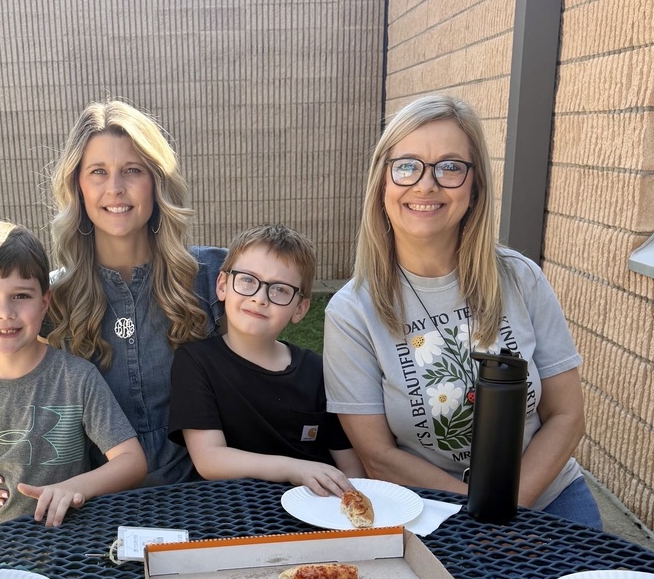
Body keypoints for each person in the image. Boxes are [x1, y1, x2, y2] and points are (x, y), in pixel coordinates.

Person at [322, 94, 602, 528]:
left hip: (547, 496)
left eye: (450, 167)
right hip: (433, 510)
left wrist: (509, 509)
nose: (426, 185)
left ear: (475, 189)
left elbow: (567, 416)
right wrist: (479, 517)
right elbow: (379, 456)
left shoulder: (521, 278)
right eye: (407, 165)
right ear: (382, 184)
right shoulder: (351, 312)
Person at [0, 101, 226, 514]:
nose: (115, 188)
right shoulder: (48, 300)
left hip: (209, 497)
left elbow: (260, 379)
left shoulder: (213, 278)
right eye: (98, 172)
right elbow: (6, 395)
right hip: (92, 509)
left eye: (132, 170)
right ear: (77, 186)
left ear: (156, 182)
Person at [0, 220, 146, 538]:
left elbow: (131, 461)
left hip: (69, 549)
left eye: (20, 295)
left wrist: (76, 487)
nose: (4, 312)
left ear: (44, 302)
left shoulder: (77, 379)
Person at [169, 224, 362, 494]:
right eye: (248, 280)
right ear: (223, 286)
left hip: (313, 507)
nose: (260, 298)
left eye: (280, 289)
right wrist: (295, 469)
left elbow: (350, 465)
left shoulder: (317, 371)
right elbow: (209, 459)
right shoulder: (196, 362)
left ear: (300, 308)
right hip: (235, 510)